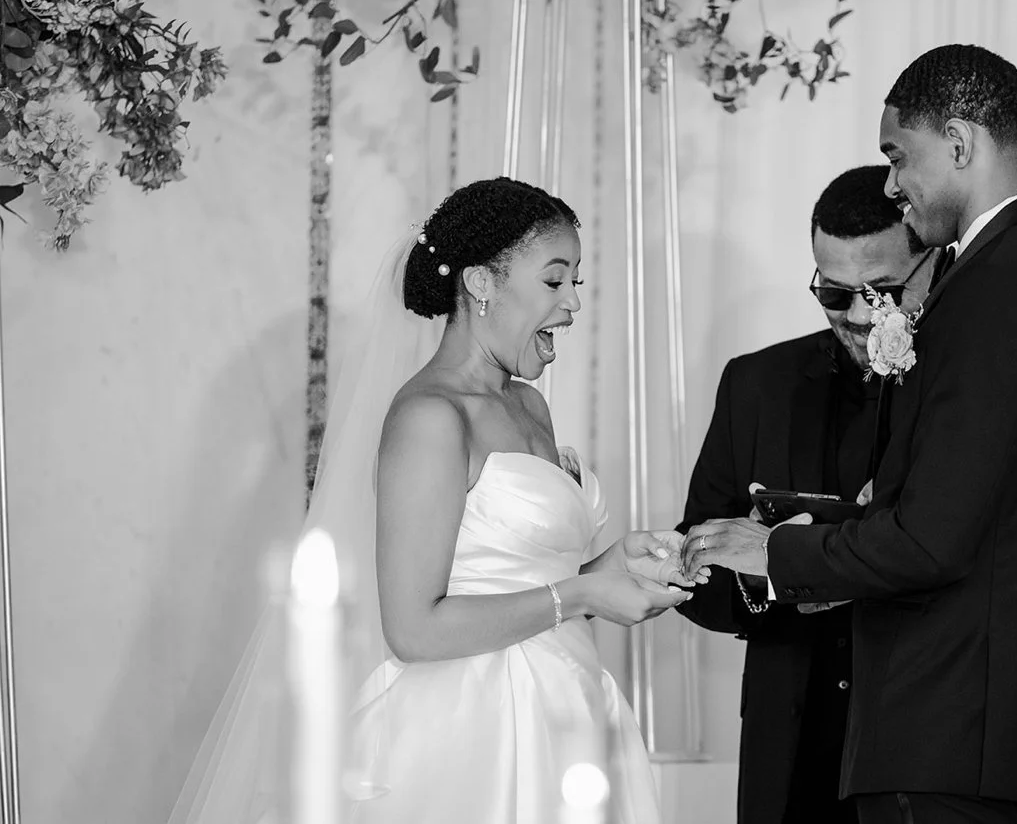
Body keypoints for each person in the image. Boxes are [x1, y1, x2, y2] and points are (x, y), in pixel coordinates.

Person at [683, 45, 1017, 824]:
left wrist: (769, 549)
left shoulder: (989, 289)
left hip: (944, 732)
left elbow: (934, 539)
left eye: (899, 157)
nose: (893, 185)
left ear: (961, 143)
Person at [167, 178, 703, 824]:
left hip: (566, 703)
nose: (571, 304)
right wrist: (584, 596)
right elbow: (414, 629)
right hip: (469, 726)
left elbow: (515, 582)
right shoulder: (431, 417)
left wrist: (607, 568)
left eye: (576, 282)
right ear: (481, 283)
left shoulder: (527, 402)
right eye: (554, 281)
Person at [675, 166, 943, 824]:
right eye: (832, 290)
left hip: (926, 753)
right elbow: (698, 562)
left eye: (880, 291)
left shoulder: (963, 384)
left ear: (932, 263)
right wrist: (767, 571)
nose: (855, 314)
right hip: (789, 752)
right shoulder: (755, 383)